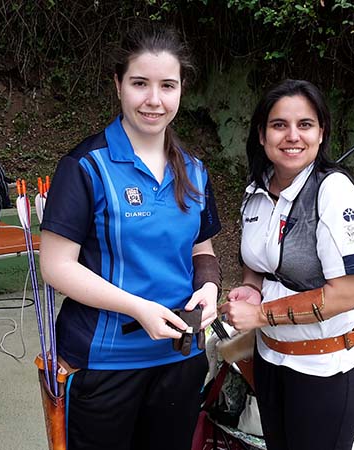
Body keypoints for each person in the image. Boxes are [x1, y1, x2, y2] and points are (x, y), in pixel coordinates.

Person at [39, 24, 221, 450]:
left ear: (181, 90)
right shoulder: (85, 166)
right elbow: (56, 266)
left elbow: (202, 248)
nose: (154, 99)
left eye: (167, 85)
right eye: (140, 83)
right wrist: (138, 308)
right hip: (106, 362)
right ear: (118, 85)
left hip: (181, 356)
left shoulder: (194, 170)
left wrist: (210, 287)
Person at [219, 79, 354, 450]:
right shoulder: (256, 190)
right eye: (279, 125)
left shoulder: (335, 193)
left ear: (321, 133)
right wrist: (251, 287)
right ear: (262, 135)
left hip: (323, 369)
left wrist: (259, 315)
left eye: (305, 124)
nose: (292, 136)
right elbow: (258, 263)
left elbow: (345, 296)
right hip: (270, 358)